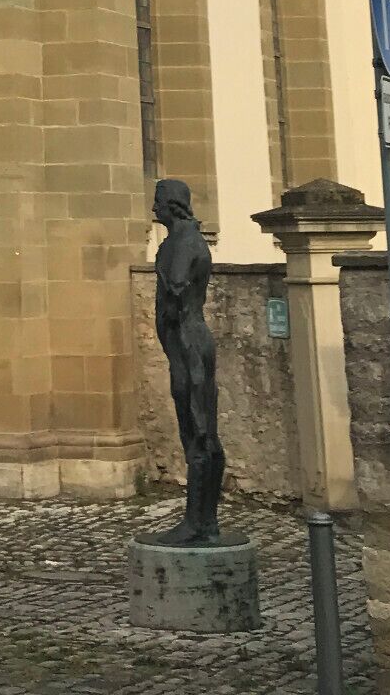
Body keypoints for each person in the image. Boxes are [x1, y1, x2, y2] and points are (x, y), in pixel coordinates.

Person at [151, 176, 224, 545]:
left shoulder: (181, 243)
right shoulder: (183, 240)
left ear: (173, 205)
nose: (154, 208)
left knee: (197, 432)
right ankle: (205, 521)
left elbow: (177, 288)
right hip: (188, 340)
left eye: (159, 201)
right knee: (202, 430)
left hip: (187, 342)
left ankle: (198, 522)